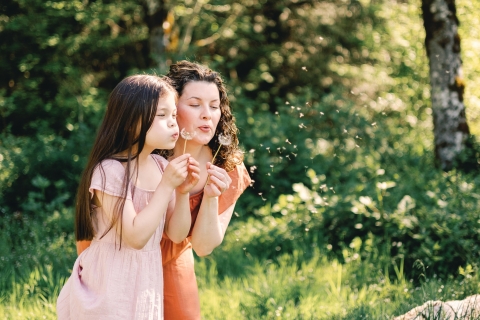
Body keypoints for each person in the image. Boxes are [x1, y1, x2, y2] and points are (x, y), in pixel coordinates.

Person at [57, 75, 200, 320]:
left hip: (145, 283)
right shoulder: (109, 171)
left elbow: (176, 234)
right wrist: (166, 186)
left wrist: (182, 191)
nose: (173, 124)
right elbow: (135, 237)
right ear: (130, 122)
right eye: (162, 115)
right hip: (108, 286)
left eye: (174, 115)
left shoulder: (160, 165)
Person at [160, 61, 251, 319]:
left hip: (174, 259)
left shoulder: (229, 166)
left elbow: (203, 246)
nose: (207, 115)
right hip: (124, 255)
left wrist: (211, 198)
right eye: (195, 104)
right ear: (171, 108)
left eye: (214, 106)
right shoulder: (147, 154)